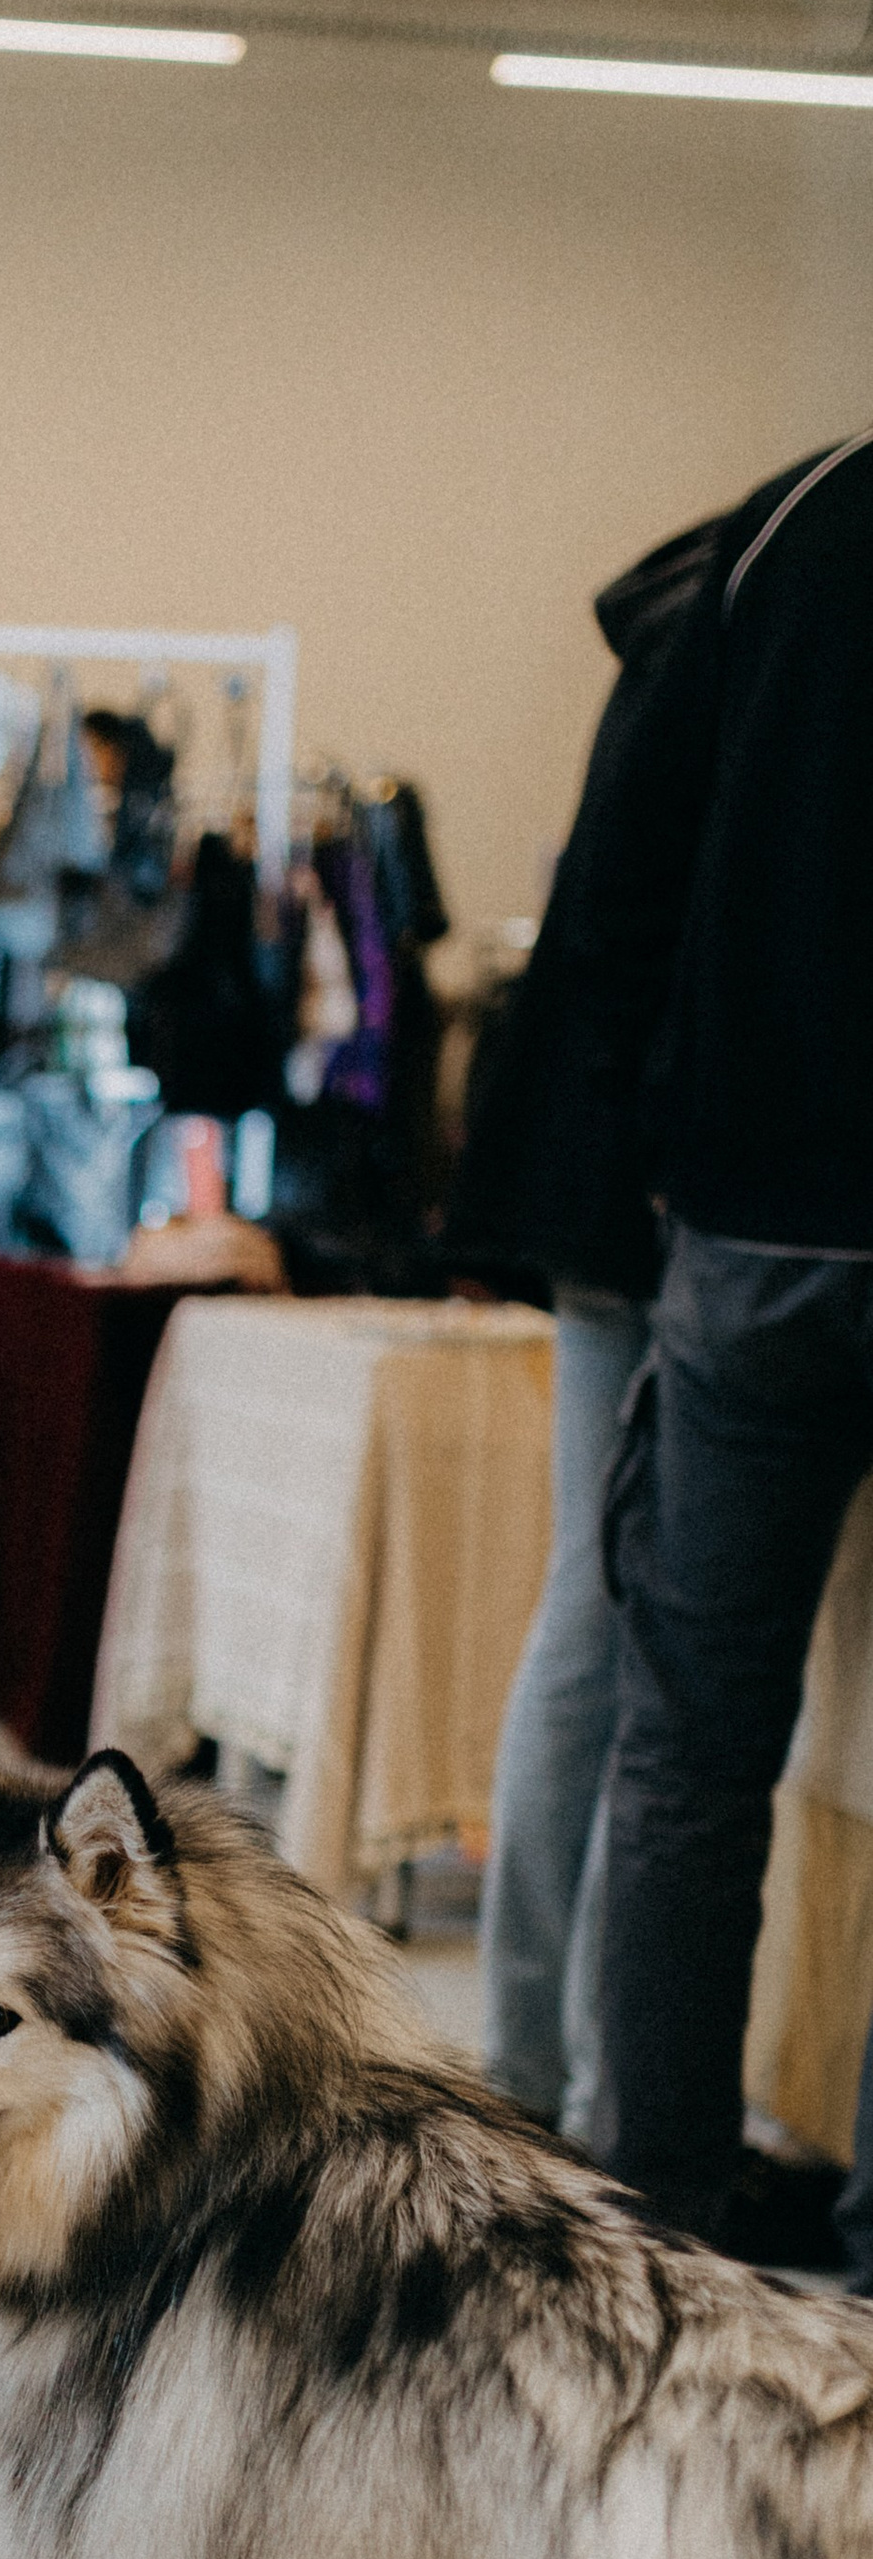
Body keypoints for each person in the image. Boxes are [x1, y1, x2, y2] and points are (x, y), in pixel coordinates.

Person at [581, 429, 873, 2280]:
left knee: (691, 1749)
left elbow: (631, 866)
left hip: (761, 1221)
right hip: (761, 1209)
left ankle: (662, 2217)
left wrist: (648, 1167)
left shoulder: (797, 519)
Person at [457, 514, 717, 2147]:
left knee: (594, 1609)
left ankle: (535, 2075)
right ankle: (573, 2088)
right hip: (679, 1203)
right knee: (638, 1631)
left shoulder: (682, 648)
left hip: (602, 1190)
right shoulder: (773, 644)